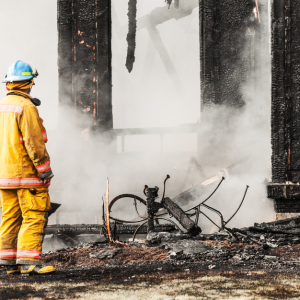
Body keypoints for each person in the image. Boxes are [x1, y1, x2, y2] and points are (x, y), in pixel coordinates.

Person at [0, 60, 55, 275]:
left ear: (9, 84)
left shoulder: (3, 106)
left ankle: (8, 263)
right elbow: (34, 142)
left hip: (4, 176)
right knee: (33, 215)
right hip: (26, 175)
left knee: (9, 216)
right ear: (29, 82)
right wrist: (44, 170)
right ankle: (29, 263)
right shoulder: (27, 107)